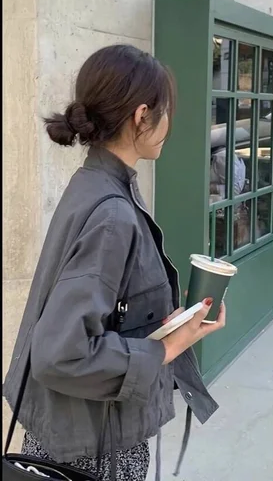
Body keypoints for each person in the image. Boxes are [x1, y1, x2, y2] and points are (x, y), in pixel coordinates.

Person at [4, 45, 226, 481]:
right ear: (142, 115)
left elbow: (99, 307)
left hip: (77, 431)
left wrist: (163, 324)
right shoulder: (112, 211)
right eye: (166, 113)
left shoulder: (94, 182)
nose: (168, 125)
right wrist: (167, 347)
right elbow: (61, 353)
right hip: (95, 450)